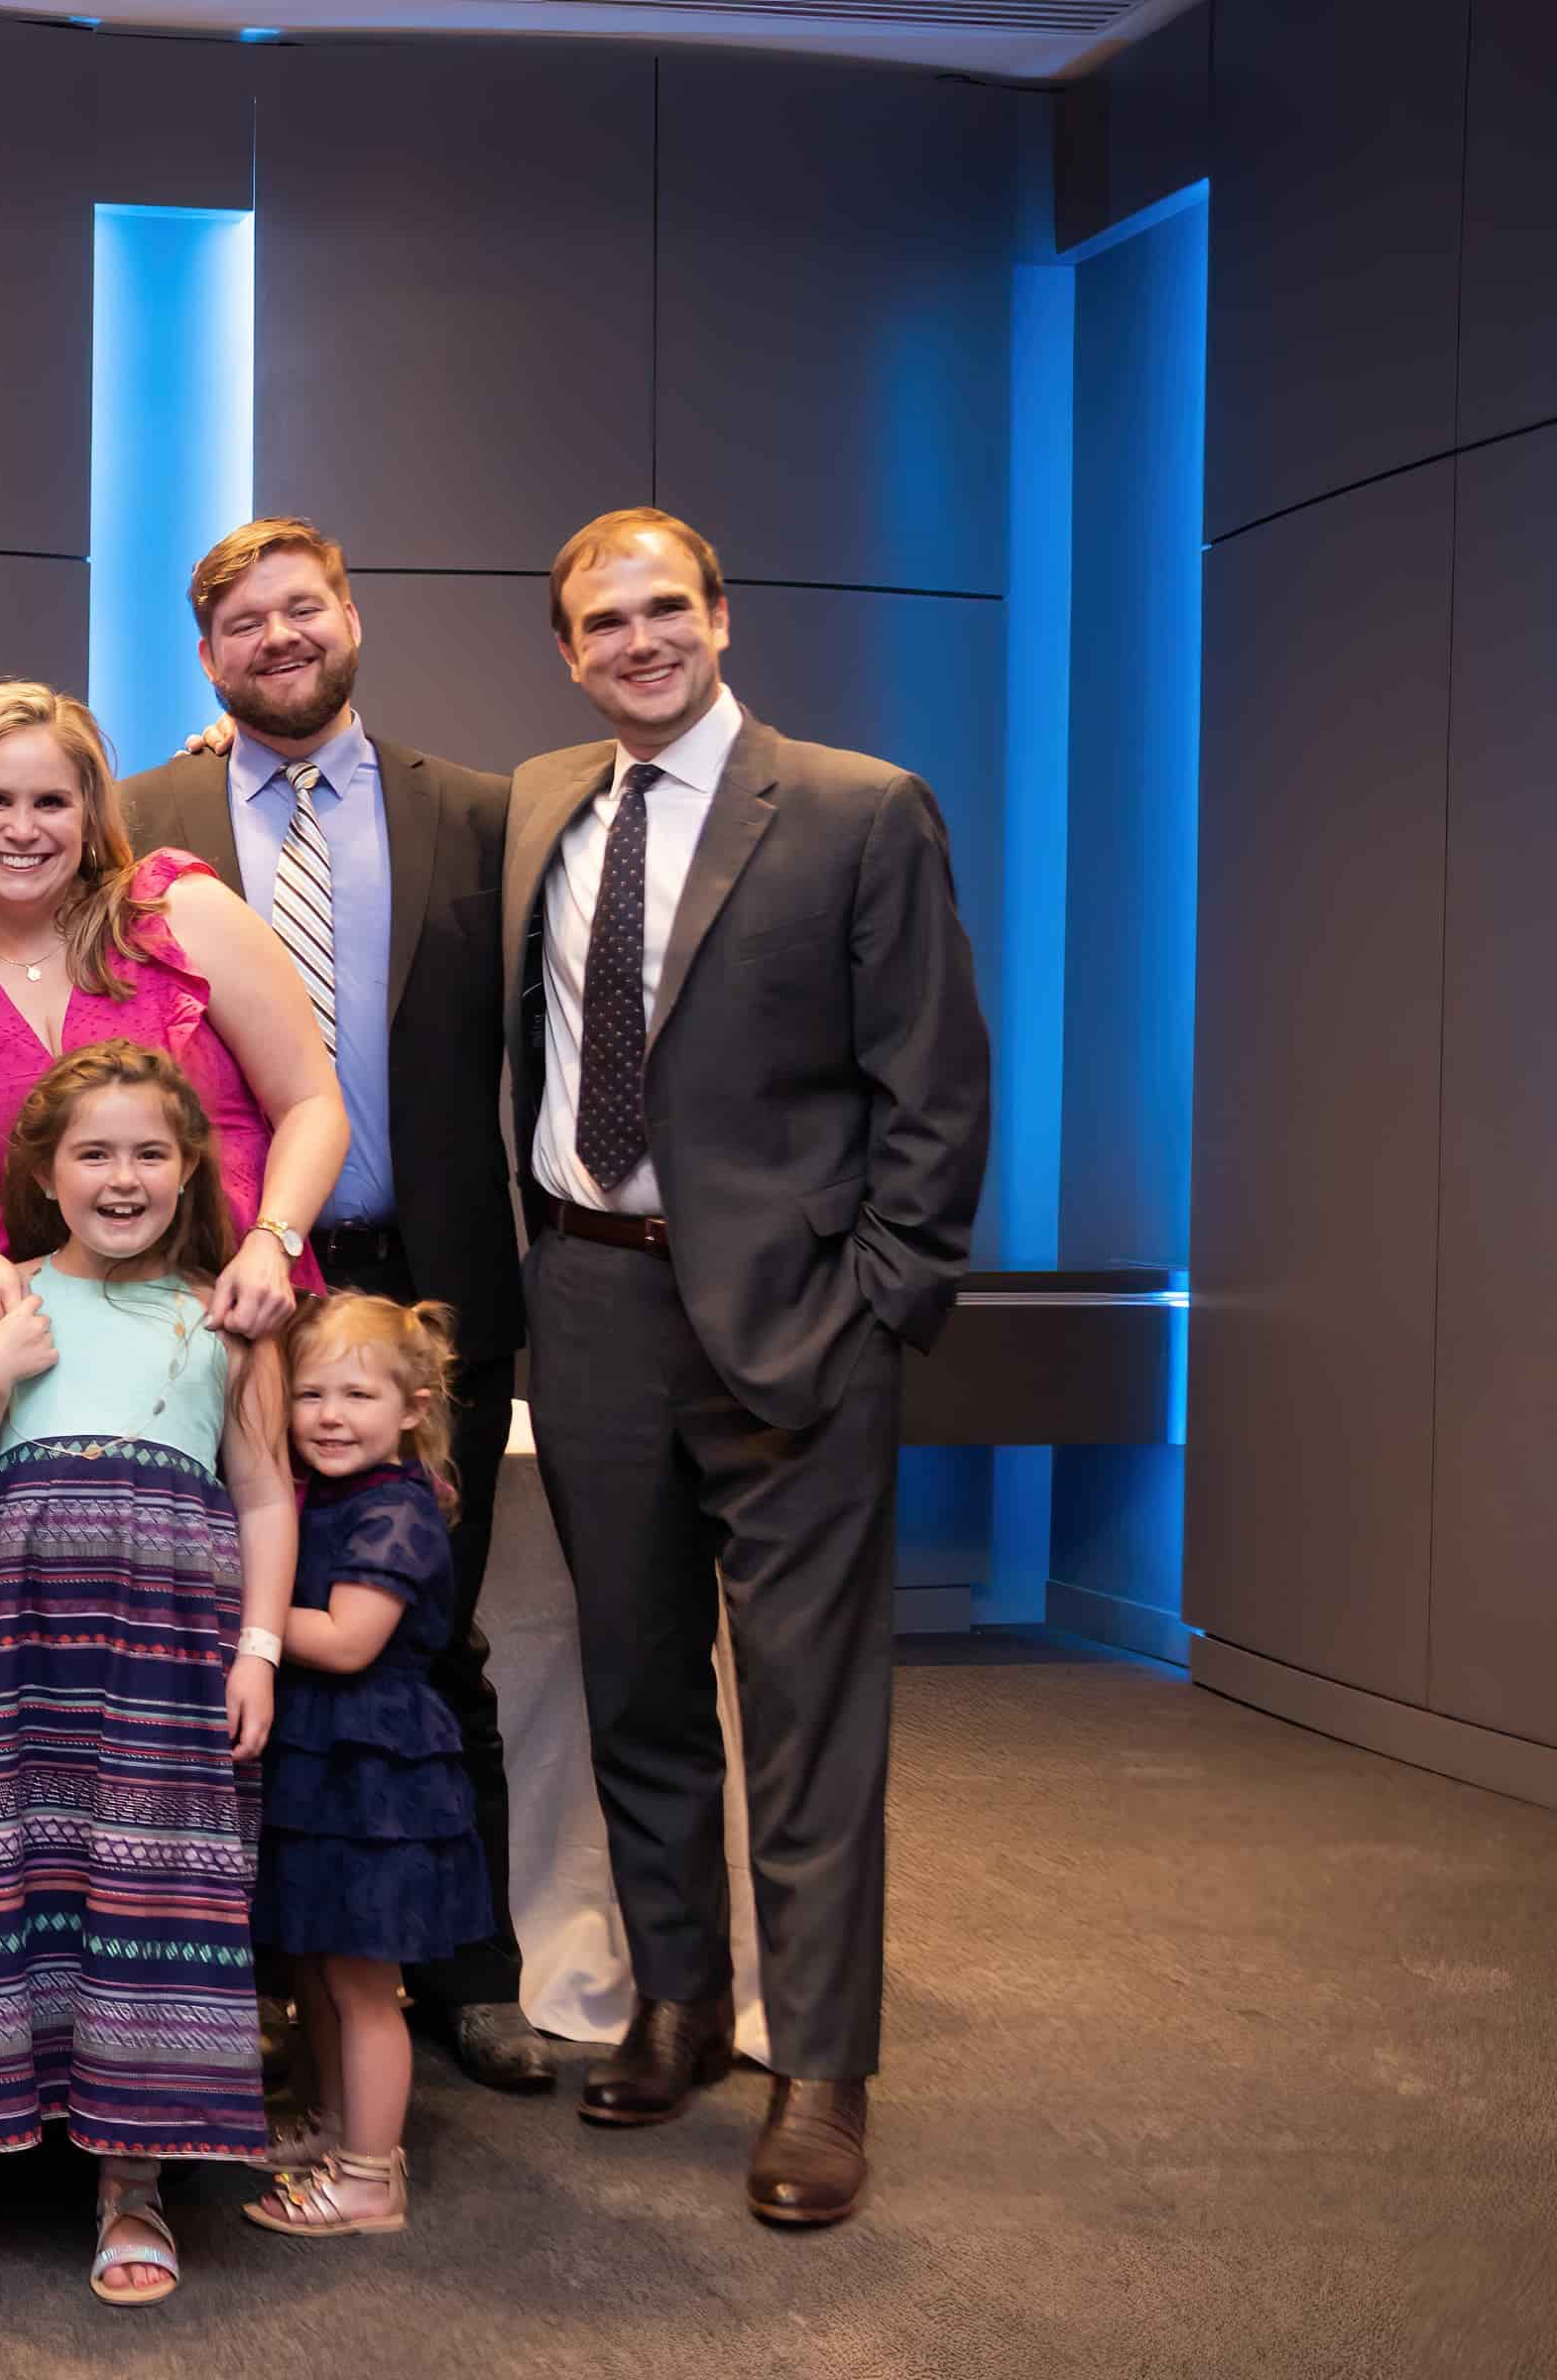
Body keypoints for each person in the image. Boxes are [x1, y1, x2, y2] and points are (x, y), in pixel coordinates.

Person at [509, 508, 989, 2227]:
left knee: (806, 1715)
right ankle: (681, 2004)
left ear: (722, 615)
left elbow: (935, 1082)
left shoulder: (858, 807)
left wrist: (884, 1300)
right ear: (566, 650)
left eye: (664, 609)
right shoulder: (542, 810)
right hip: (590, 1307)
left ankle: (820, 2069)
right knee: (636, 1684)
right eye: (601, 622)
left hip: (801, 1327)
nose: (637, 641)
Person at [118, 518, 550, 2092]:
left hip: (431, 1280)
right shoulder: (133, 817)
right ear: (207, 653)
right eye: (242, 621)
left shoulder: (484, 814)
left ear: (351, 617)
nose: (277, 638)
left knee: (429, 1633)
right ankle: (253, 1972)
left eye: (303, 609)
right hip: (228, 1282)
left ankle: (465, 1968)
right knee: (236, 1632)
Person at [0, 1041, 293, 2310]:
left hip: (172, 1634)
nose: (124, 1175)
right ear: (42, 1169)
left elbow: (263, 1492)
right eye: (93, 1151)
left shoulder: (227, 1312)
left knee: (149, 1886)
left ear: (190, 1165)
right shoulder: (0, 1299)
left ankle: (132, 2179)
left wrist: (258, 1646)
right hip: (7, 1627)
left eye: (151, 1150)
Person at [0, 679, 343, 1346]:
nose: (22, 829)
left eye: (50, 802)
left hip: (238, 1315)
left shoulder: (179, 912)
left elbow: (311, 1103)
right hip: (40, 1346)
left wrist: (271, 1243)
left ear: (88, 816)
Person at [238, 1294, 493, 2242]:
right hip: (328, 1763)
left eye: (357, 1394)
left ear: (414, 1408)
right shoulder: (334, 1496)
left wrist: (239, 1610)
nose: (330, 1415)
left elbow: (348, 1641)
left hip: (377, 1771)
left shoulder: (393, 1509)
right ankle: (338, 2128)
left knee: (362, 1985)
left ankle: (370, 2177)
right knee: (322, 1967)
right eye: (309, 1394)